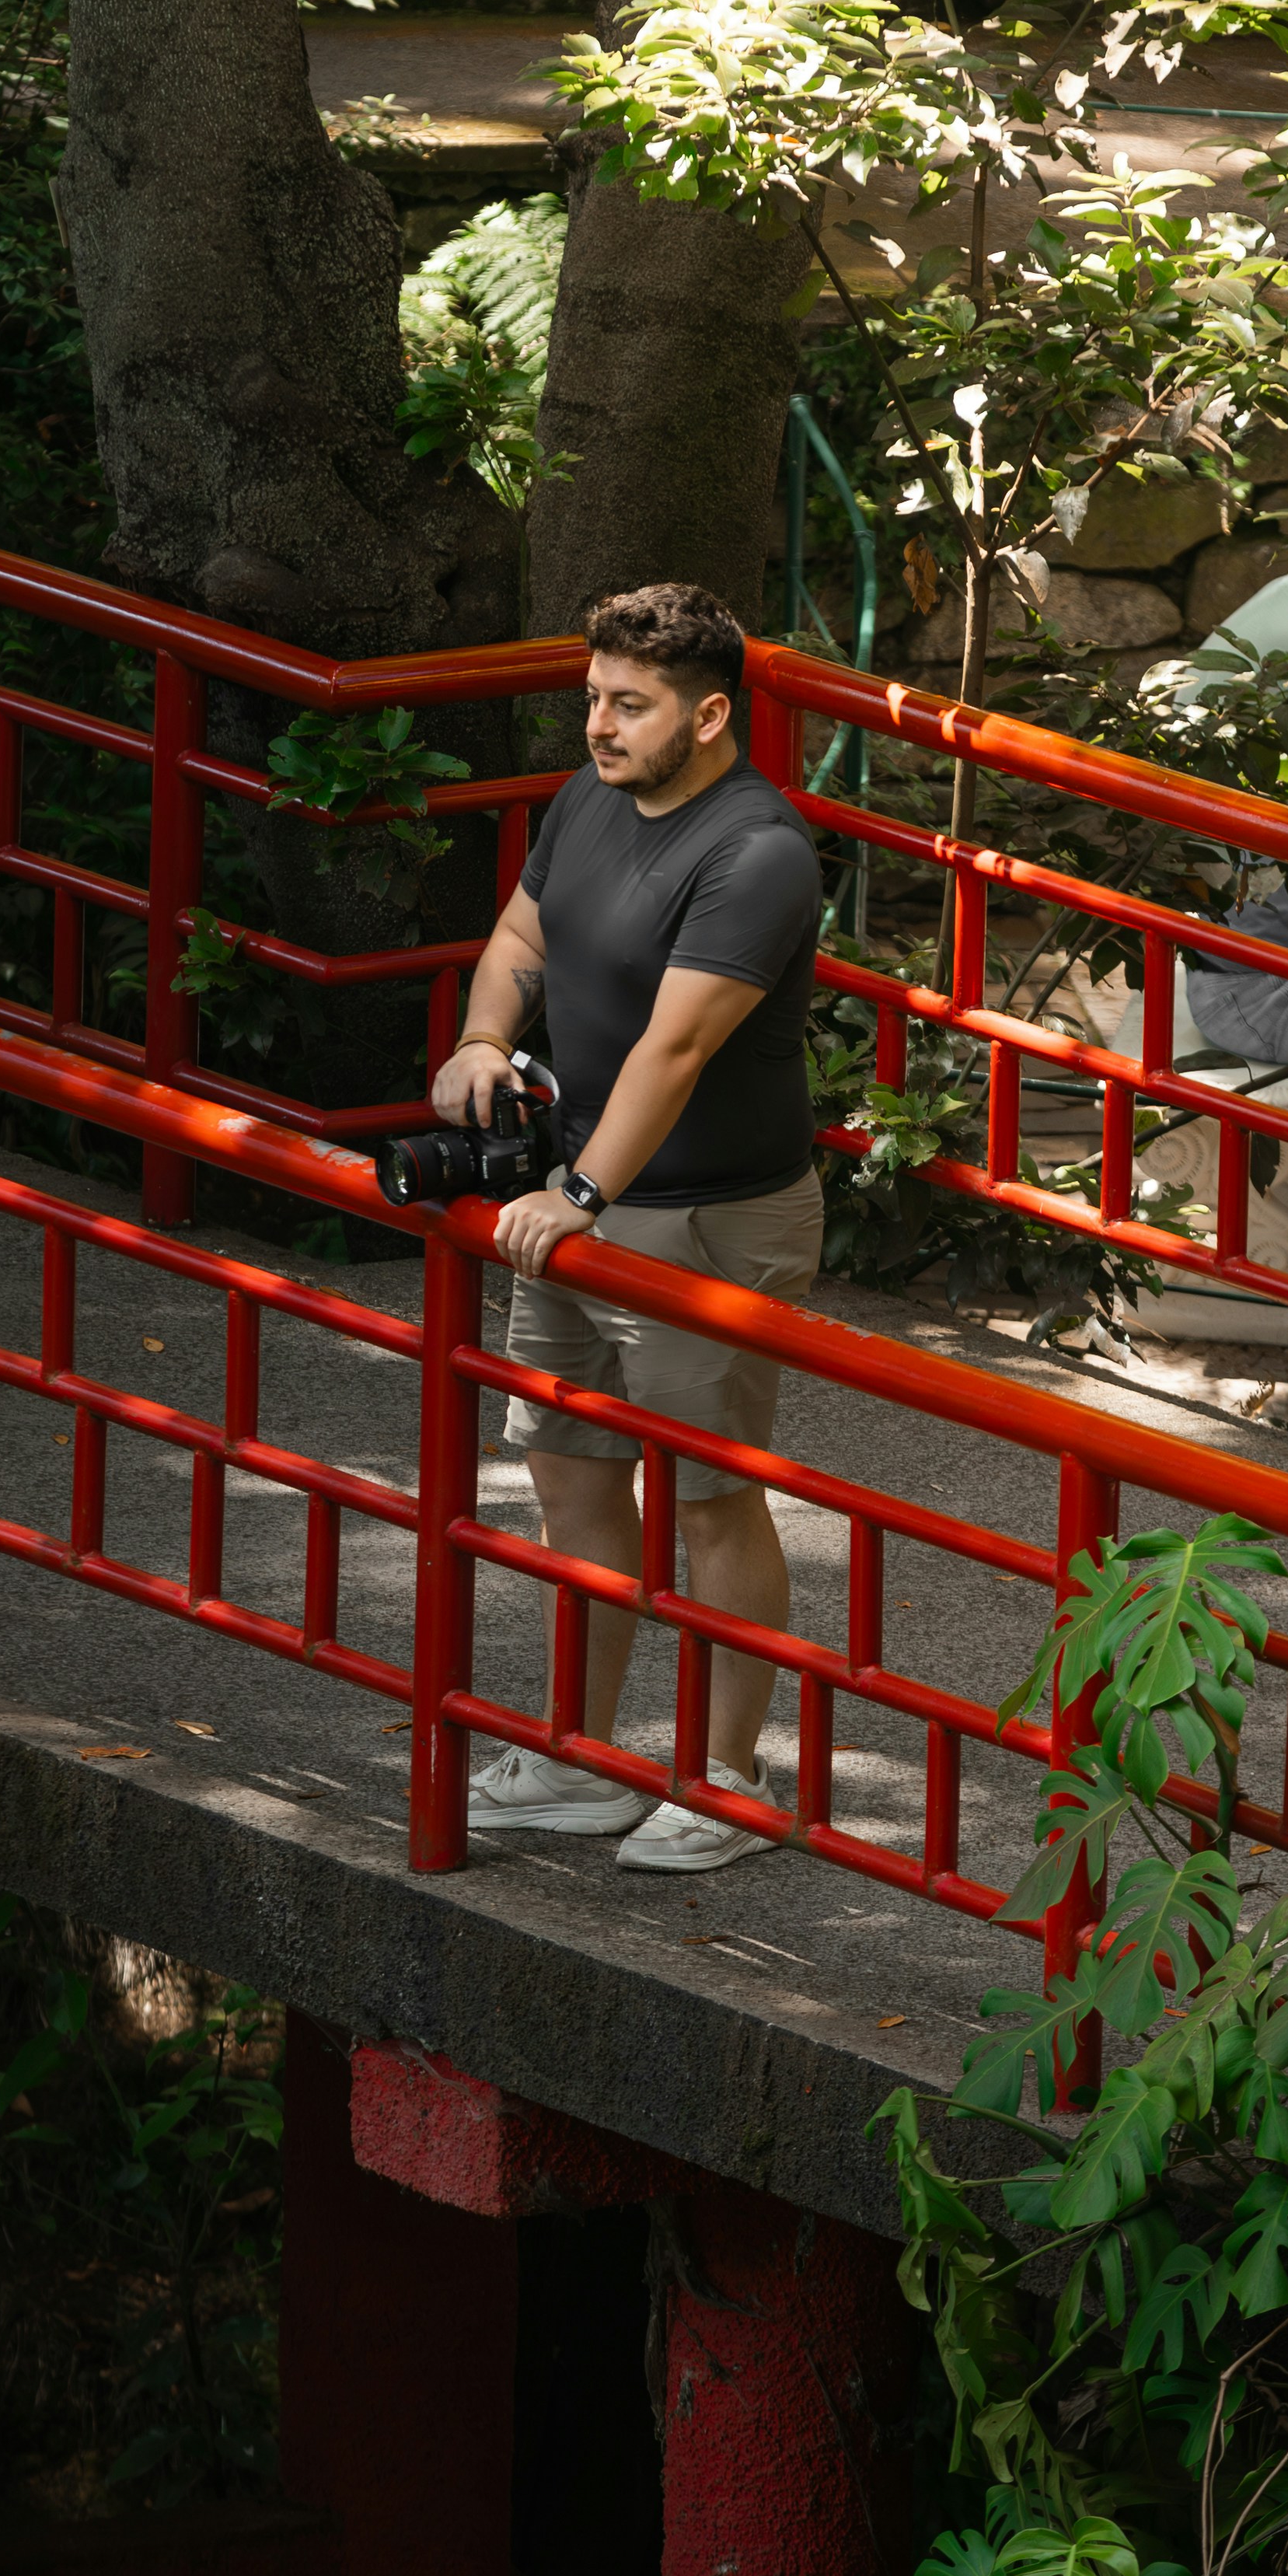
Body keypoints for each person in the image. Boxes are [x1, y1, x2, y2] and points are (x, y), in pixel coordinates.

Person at [424, 578, 827, 1873]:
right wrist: (487, 1034)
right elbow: (519, 936)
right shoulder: (588, 800)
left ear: (710, 716)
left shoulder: (755, 852)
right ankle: (579, 1759)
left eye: (629, 706)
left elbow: (679, 1044)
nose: (598, 727)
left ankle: (728, 1784)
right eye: (593, 698)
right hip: (577, 1206)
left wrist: (578, 1194)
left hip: (707, 1219)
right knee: (571, 1477)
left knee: (710, 1500)